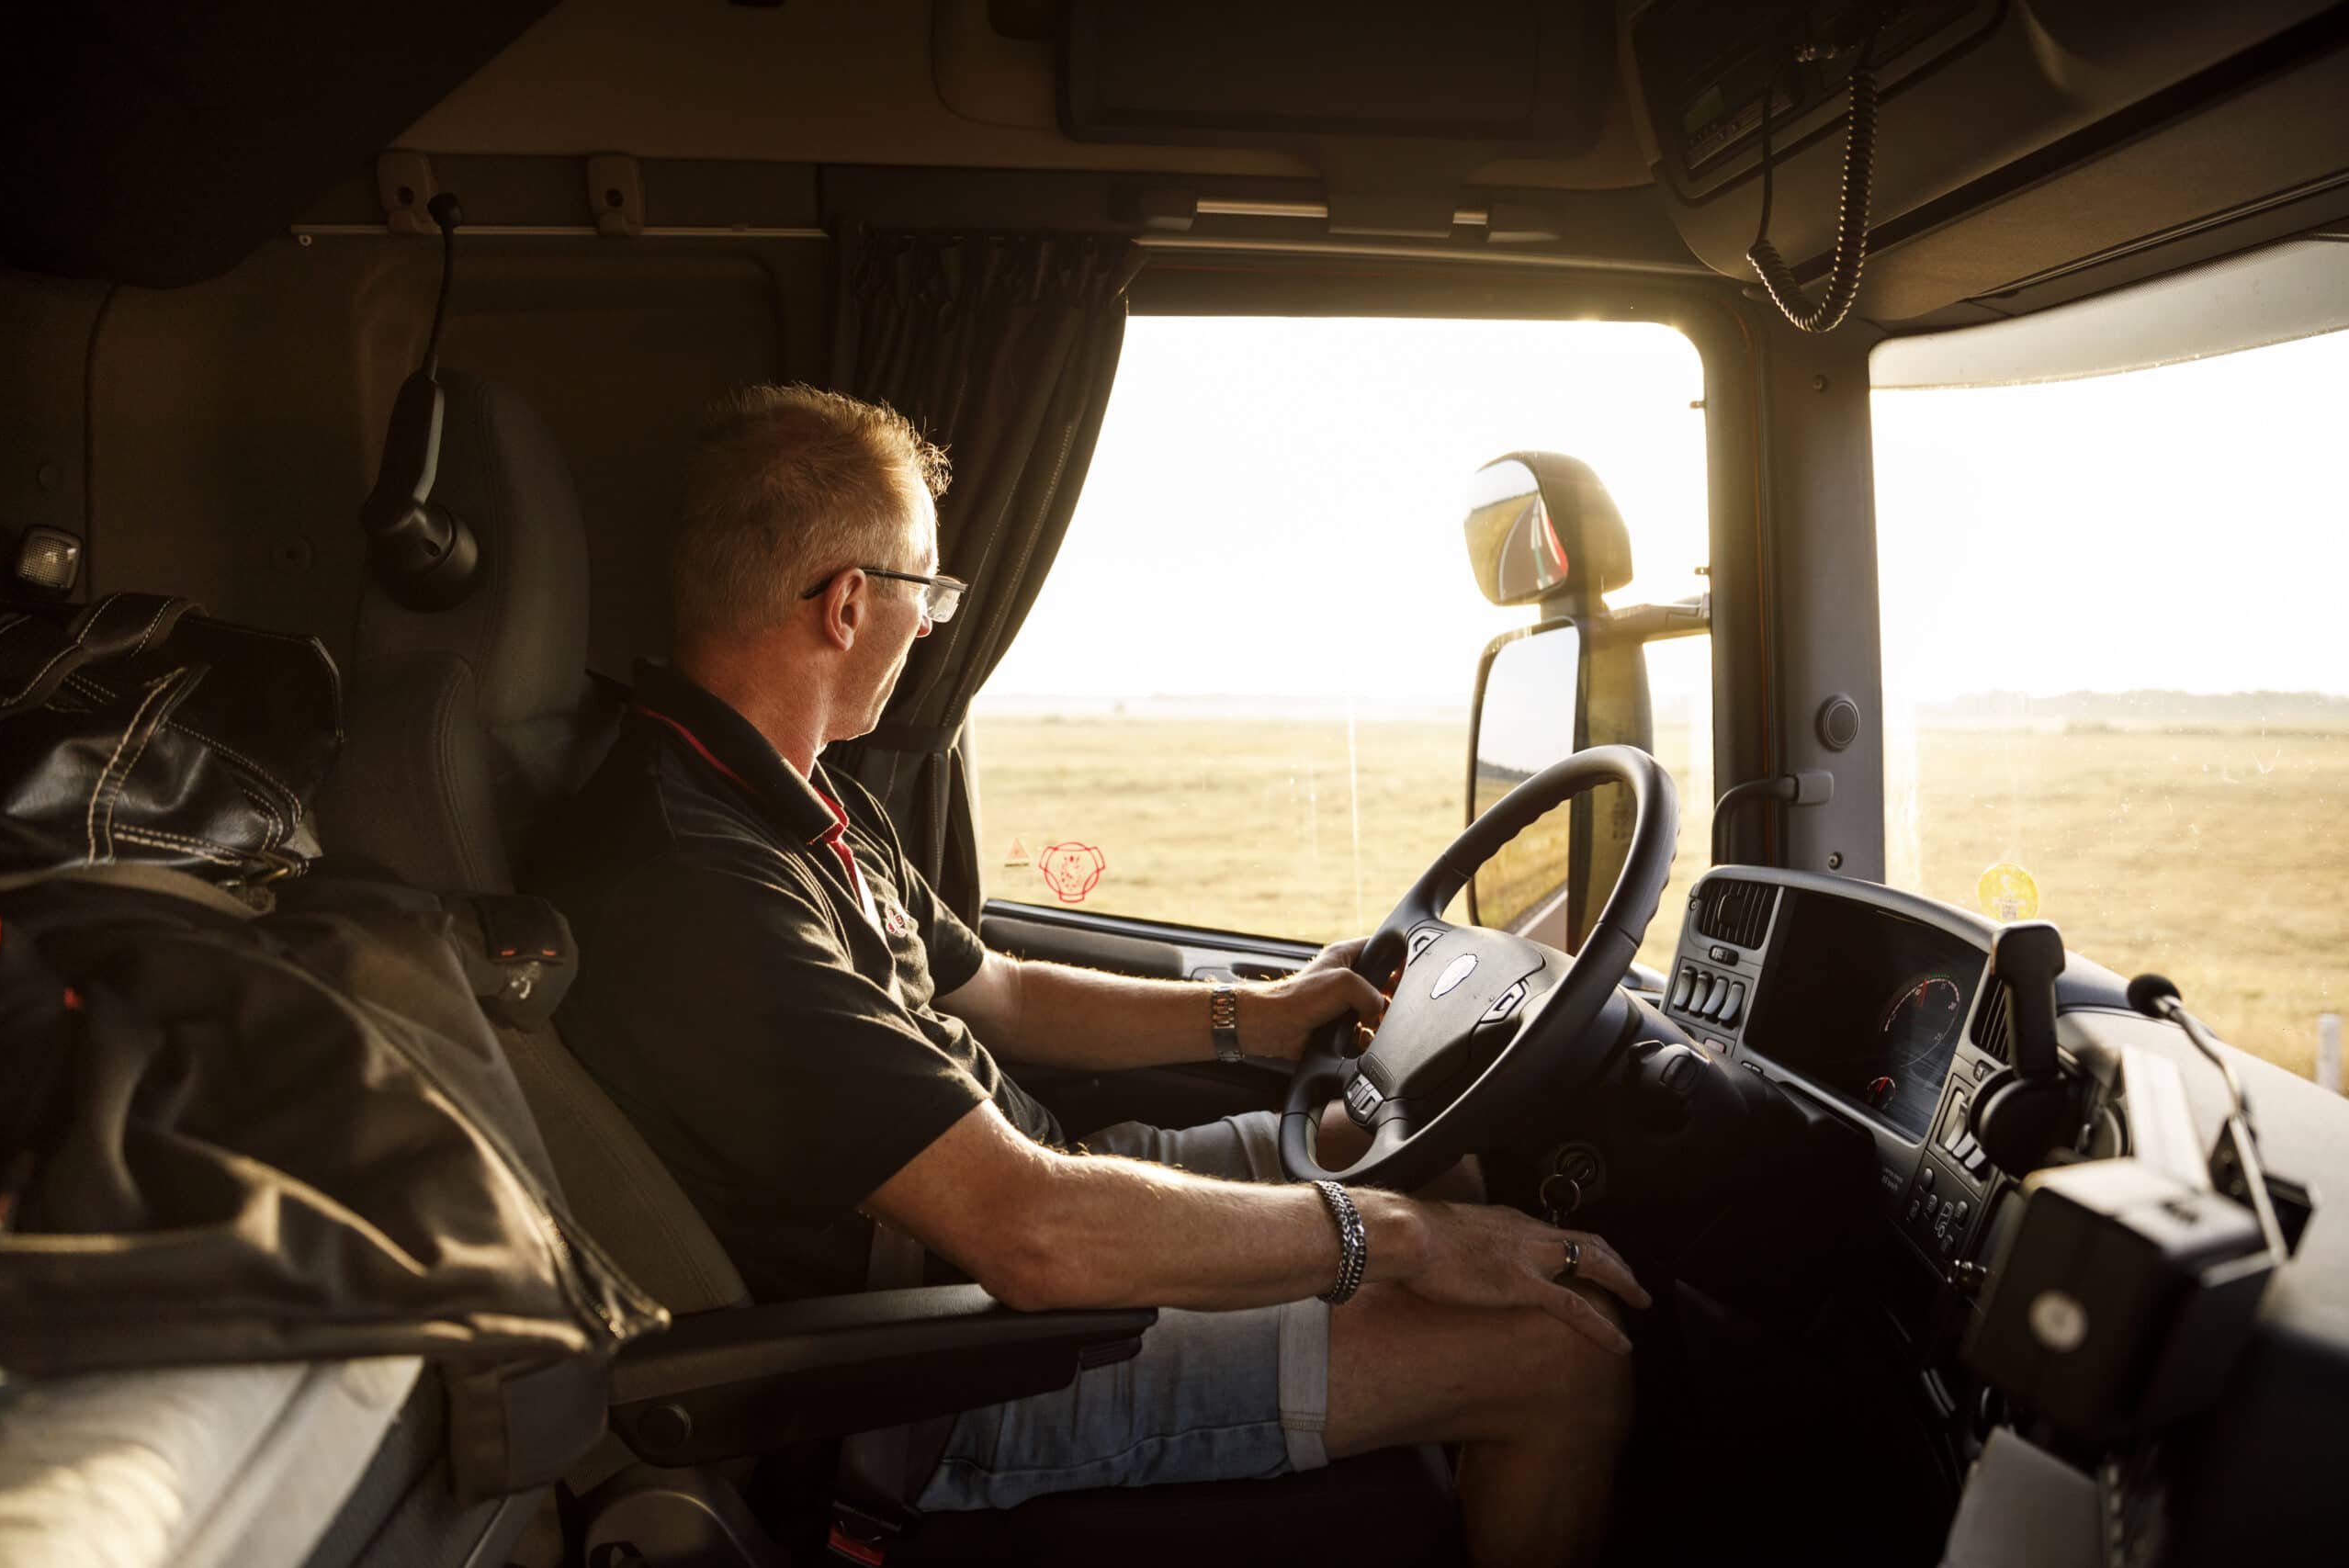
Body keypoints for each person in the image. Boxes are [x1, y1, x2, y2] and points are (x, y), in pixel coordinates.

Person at [534, 384, 1649, 1567]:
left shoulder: (796, 795)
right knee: (1557, 1356)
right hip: (941, 1360)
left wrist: (1257, 1019)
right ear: (852, 603)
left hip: (1028, 1205)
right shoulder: (697, 886)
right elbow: (1034, 1236)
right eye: (928, 596)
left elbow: (1002, 994)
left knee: (1445, 1162)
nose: (930, 630)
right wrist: (1402, 1239)